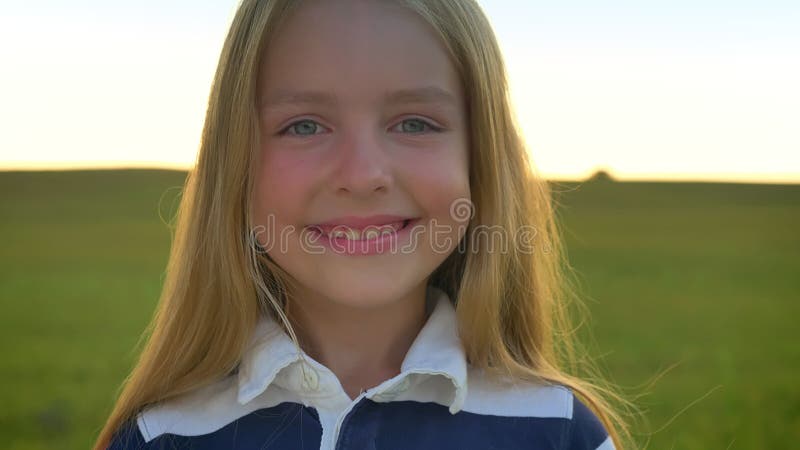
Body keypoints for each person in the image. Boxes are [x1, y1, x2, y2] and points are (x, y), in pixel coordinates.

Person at [95, 0, 631, 448]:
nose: (362, 174)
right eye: (304, 125)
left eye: (415, 122)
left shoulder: (559, 434)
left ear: (480, 160)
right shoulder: (159, 436)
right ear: (236, 166)